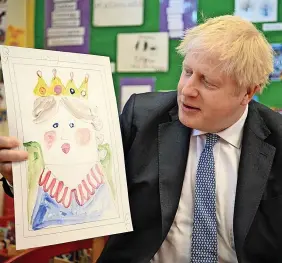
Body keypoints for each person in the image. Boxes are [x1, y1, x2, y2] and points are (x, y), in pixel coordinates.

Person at [0, 14, 281, 262]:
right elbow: (90, 184)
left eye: (207, 82)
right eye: (187, 72)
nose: (187, 90)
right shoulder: (143, 116)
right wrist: (23, 177)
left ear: (247, 93)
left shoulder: (277, 139)